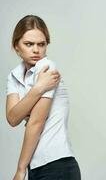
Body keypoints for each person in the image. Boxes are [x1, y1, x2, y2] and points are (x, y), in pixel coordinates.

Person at [6, 15, 81, 180]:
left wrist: (20, 169)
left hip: (57, 165)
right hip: (36, 166)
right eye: (29, 44)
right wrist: (38, 89)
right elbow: (12, 118)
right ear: (16, 47)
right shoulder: (15, 76)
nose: (36, 50)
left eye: (41, 44)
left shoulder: (47, 68)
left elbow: (36, 122)